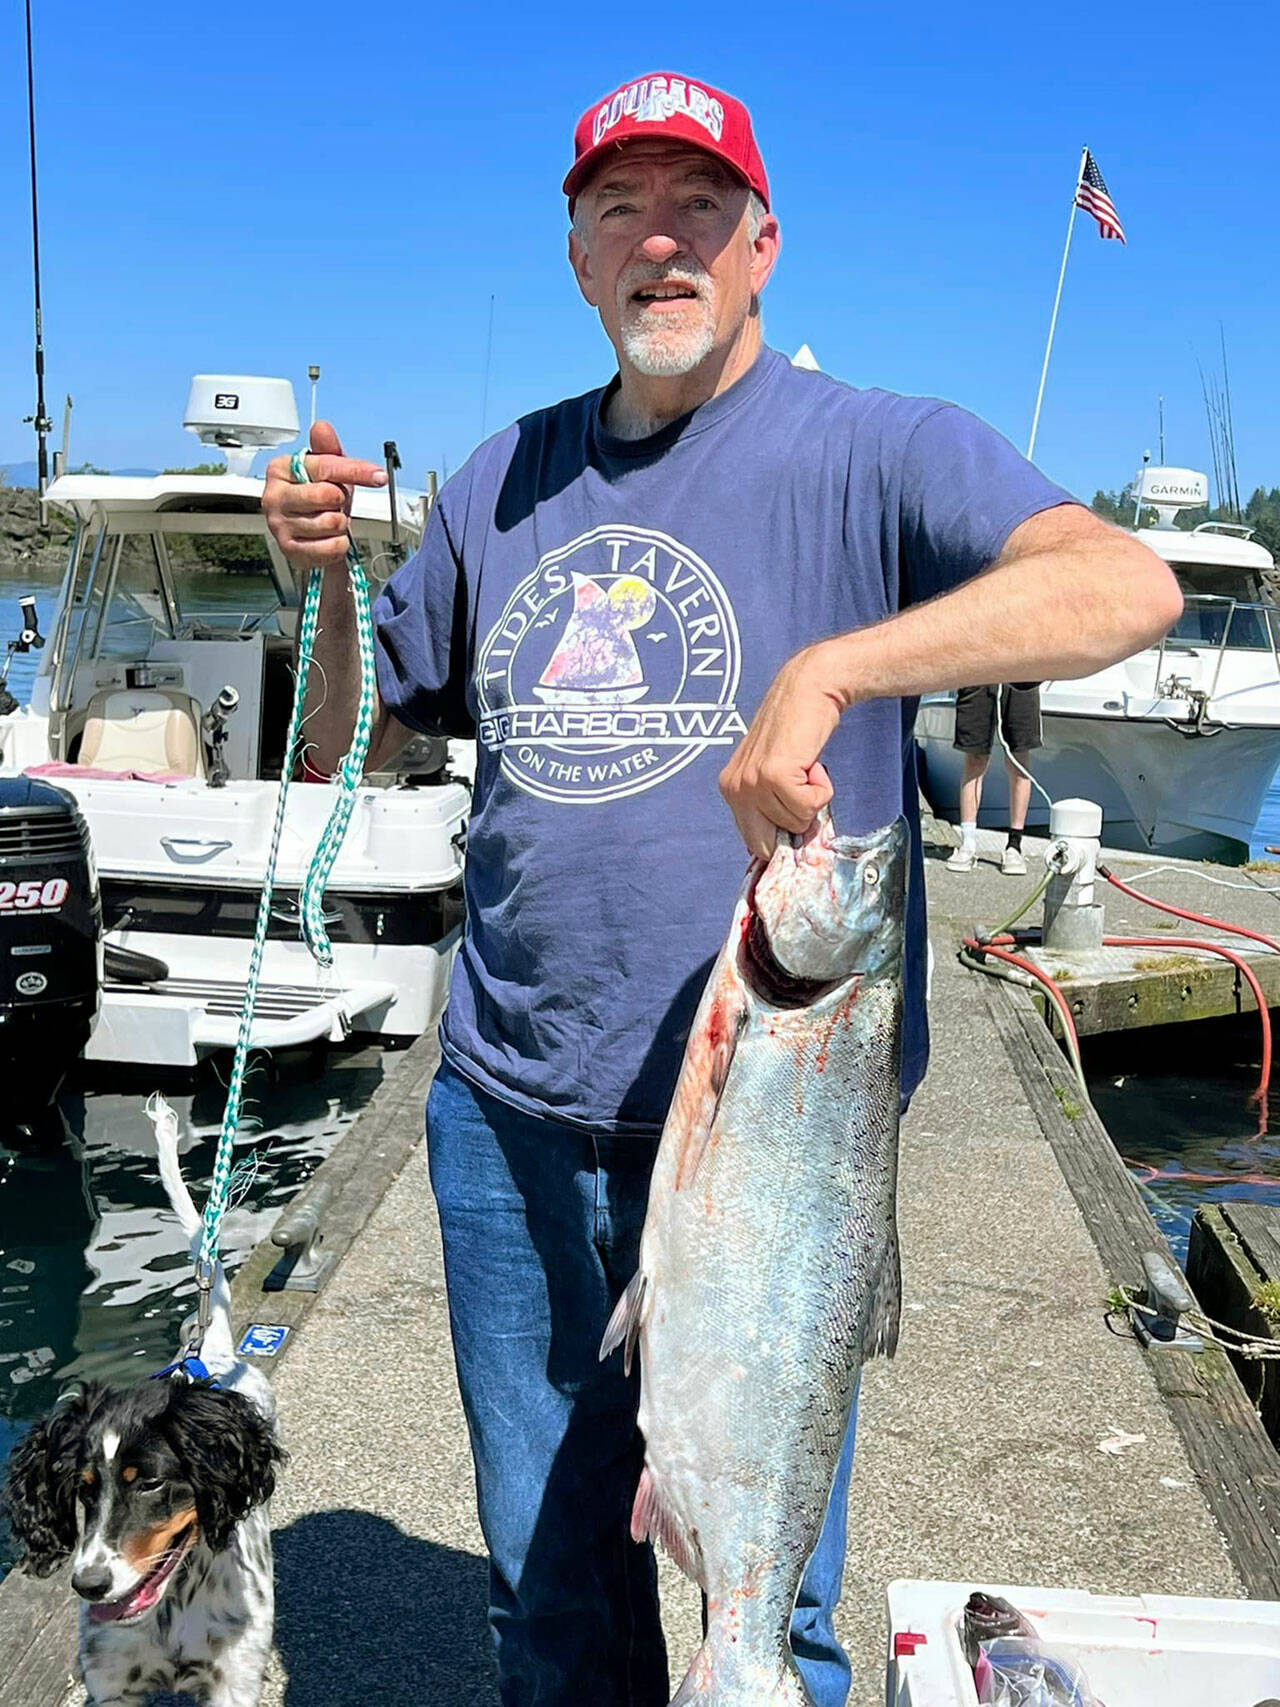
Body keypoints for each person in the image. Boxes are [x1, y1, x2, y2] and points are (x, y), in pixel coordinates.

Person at [262, 71, 1181, 1707]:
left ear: (763, 246)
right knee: (545, 1608)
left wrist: (840, 665)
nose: (659, 240)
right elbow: (358, 737)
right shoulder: (495, 486)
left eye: (697, 207)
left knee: (766, 1605)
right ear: (577, 258)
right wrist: (320, 591)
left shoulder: (883, 447)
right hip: (511, 1113)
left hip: (782, 1134)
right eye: (620, 209)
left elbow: (1124, 584)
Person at [945, 681, 1042, 875]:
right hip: (980, 676)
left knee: (1018, 760)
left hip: (1022, 675)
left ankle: (1014, 845)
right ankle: (968, 843)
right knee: (975, 759)